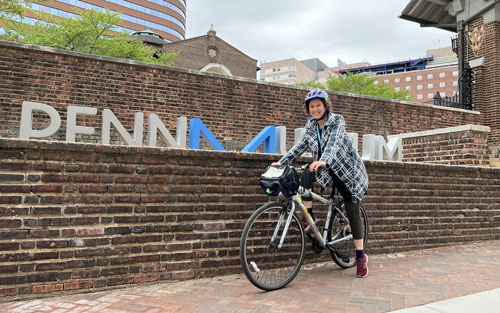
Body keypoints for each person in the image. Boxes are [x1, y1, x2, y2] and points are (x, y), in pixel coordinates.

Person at [272, 88, 369, 278]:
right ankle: (309, 216)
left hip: (347, 172)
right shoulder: (310, 126)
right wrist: (282, 162)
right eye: (311, 106)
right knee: (306, 172)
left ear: (325, 106)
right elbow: (299, 147)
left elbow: (333, 143)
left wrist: (324, 159)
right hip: (326, 170)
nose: (315, 109)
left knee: (352, 211)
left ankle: (360, 257)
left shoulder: (337, 121)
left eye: (318, 105)